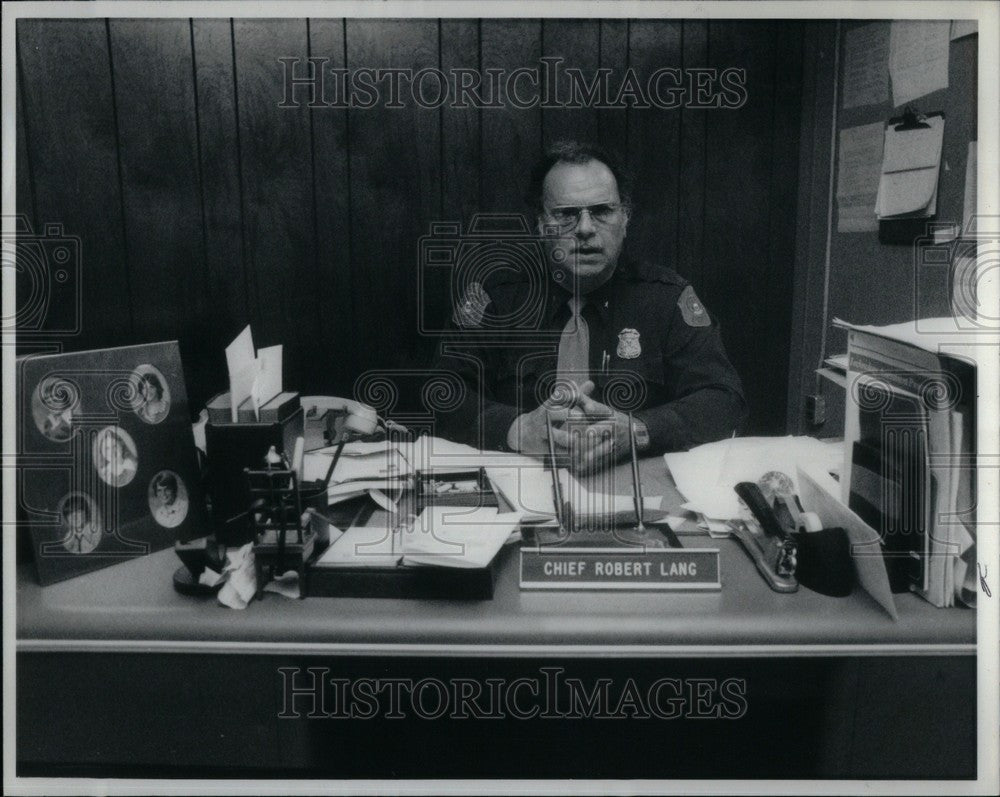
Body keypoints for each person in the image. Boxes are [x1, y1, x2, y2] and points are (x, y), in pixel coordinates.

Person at [433, 140, 746, 474]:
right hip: (519, 486)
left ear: (625, 218)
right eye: (566, 214)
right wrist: (515, 430)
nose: (584, 228)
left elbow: (724, 400)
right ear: (541, 224)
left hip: (635, 485)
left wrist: (639, 431)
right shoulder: (497, 300)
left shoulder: (666, 300)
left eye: (602, 211)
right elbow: (443, 393)